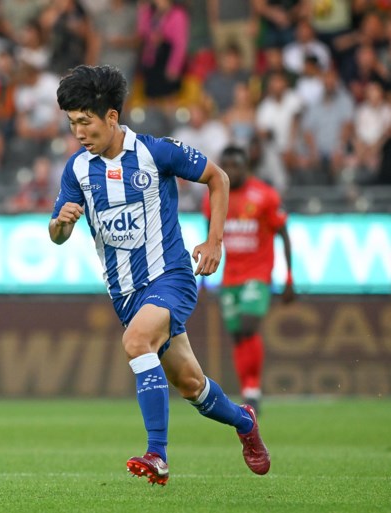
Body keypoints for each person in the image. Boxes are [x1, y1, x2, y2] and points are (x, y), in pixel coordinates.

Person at [50, 65, 269, 486]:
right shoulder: (77, 169)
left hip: (170, 276)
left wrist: (214, 241)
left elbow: (217, 178)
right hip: (125, 294)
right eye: (72, 123)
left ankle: (157, 455)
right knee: (191, 385)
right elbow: (57, 235)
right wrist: (61, 223)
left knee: (135, 342)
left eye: (85, 121)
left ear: (111, 117)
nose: (78, 132)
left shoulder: (155, 152)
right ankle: (245, 422)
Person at [202, 146, 295, 414]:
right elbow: (210, 233)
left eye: (236, 165)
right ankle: (249, 391)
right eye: (226, 165)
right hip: (230, 276)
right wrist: (206, 275)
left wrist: (289, 276)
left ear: (246, 167)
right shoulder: (214, 197)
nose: (230, 170)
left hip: (258, 274)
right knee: (238, 334)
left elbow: (284, 233)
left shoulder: (264, 195)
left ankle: (253, 393)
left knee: (248, 325)